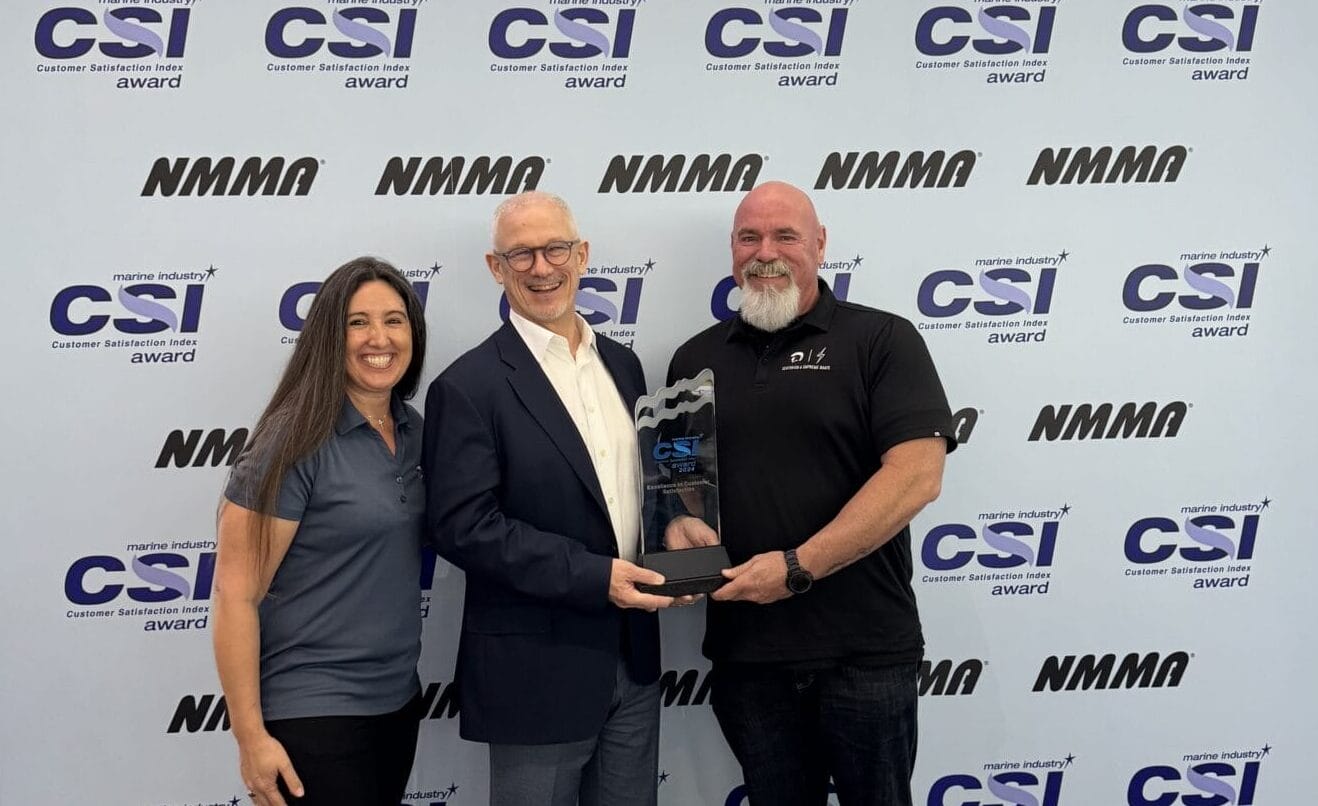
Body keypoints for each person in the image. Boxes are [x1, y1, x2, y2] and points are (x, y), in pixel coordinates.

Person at [666, 181, 956, 806]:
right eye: (749, 237)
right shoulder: (693, 360)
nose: (765, 252)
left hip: (864, 654)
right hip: (748, 656)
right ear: (733, 249)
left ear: (820, 245)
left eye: (785, 236)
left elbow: (916, 475)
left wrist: (797, 568)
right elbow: (681, 484)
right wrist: (676, 526)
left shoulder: (883, 340)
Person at [423, 191, 675, 806]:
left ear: (581, 255)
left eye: (555, 249)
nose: (541, 267)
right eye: (521, 254)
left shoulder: (624, 365)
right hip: (534, 675)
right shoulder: (468, 386)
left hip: (634, 662)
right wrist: (596, 577)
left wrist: (673, 532)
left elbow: (632, 491)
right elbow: (463, 527)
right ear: (496, 268)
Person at [212, 257, 428, 806]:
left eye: (394, 320)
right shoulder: (293, 440)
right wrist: (250, 738)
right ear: (329, 336)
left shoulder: (415, 432)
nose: (379, 338)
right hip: (313, 713)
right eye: (357, 322)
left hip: (397, 702)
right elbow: (235, 595)